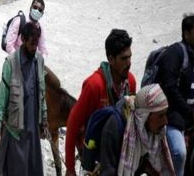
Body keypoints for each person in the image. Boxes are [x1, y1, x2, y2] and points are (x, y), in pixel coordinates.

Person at [65, 29, 137, 176]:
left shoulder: (131, 82)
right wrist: (70, 168)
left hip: (122, 158)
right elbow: (73, 124)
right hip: (96, 161)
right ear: (111, 59)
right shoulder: (94, 85)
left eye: (130, 57)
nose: (129, 63)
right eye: (124, 59)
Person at [0, 21, 48, 175]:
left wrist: (44, 118)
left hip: (33, 131)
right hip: (15, 131)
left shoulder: (39, 60)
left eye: (36, 44)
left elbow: (42, 93)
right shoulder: (10, 62)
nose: (33, 48)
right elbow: (2, 95)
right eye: (31, 44)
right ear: (22, 39)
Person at [99, 84, 175, 176]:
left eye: (165, 114)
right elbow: (108, 172)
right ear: (145, 116)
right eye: (160, 116)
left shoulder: (153, 133)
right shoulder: (114, 127)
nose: (165, 121)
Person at [154, 14, 194, 176]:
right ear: (186, 33)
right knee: (179, 153)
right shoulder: (176, 52)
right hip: (171, 117)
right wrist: (189, 111)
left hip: (188, 118)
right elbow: (168, 87)